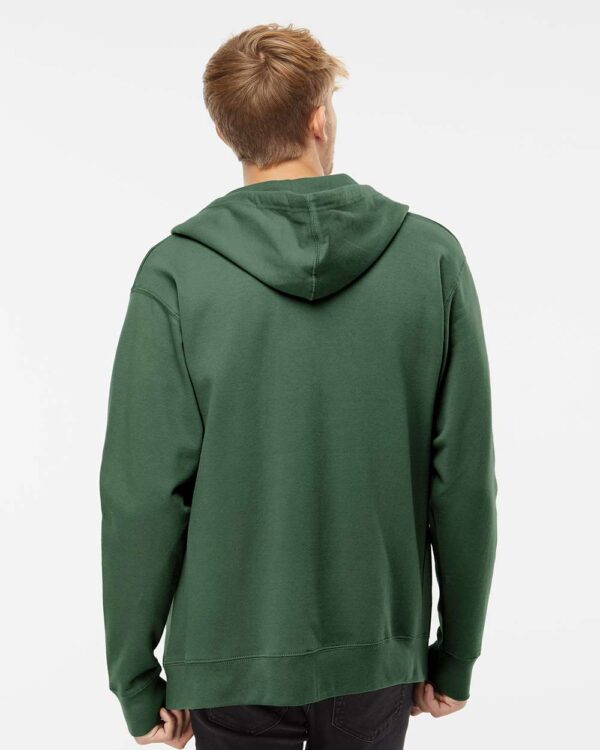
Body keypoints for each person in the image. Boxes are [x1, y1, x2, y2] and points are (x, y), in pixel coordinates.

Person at [99, 22, 498, 749]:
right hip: (375, 654)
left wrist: (135, 678)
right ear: (319, 120)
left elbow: (142, 494)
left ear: (227, 133)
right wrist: (455, 655)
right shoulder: (430, 259)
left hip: (227, 662)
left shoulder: (176, 275)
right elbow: (464, 482)